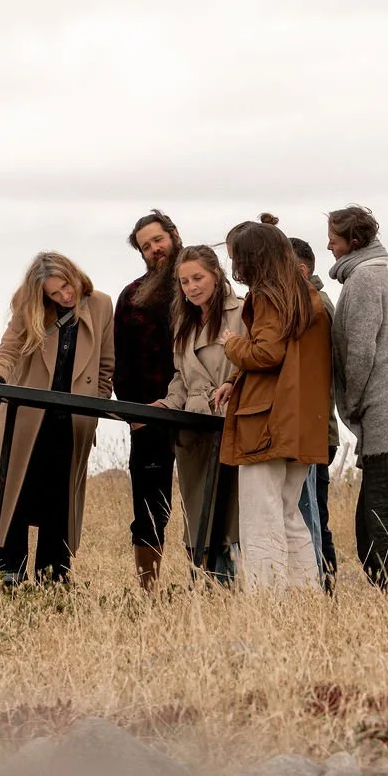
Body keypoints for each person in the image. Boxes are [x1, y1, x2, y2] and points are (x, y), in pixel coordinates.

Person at [0, 252, 114, 586]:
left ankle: (54, 580)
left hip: (72, 421)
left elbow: (106, 366)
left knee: (60, 503)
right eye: (54, 293)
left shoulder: (102, 305)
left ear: (73, 274)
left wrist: (94, 406)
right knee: (14, 497)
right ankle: (7, 577)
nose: (65, 296)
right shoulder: (29, 307)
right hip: (27, 418)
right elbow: (7, 350)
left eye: (66, 286)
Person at [216, 214, 331, 591]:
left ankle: (267, 602)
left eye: (237, 256)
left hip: (265, 419)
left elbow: (266, 352)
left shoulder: (267, 295)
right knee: (288, 513)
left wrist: (231, 345)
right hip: (302, 422)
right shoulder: (303, 293)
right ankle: (304, 598)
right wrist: (236, 379)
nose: (234, 265)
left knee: (260, 515)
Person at [327, 204, 388, 586]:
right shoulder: (373, 274)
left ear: (353, 241)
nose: (329, 247)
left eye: (333, 239)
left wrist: (350, 402)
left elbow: (362, 350)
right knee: (379, 500)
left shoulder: (365, 280)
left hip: (384, 400)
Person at [153, 245, 244, 579]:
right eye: (184, 281)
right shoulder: (183, 322)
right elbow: (181, 376)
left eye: (198, 278)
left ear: (216, 275)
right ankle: (200, 585)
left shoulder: (242, 313)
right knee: (196, 513)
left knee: (230, 512)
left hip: (229, 424)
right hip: (192, 429)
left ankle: (228, 584)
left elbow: (250, 365)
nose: (191, 287)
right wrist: (167, 404)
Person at [114, 210, 182, 591]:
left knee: (204, 499)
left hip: (200, 413)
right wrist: (133, 414)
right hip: (147, 416)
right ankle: (149, 589)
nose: (154, 249)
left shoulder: (201, 284)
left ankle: (211, 579)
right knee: (149, 505)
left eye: (158, 239)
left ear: (173, 235)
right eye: (145, 246)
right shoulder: (132, 295)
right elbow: (119, 360)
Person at [290, 236, 340, 592]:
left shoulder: (315, 307)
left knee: (312, 517)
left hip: (315, 430)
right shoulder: (307, 304)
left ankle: (323, 592)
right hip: (314, 427)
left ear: (301, 270)